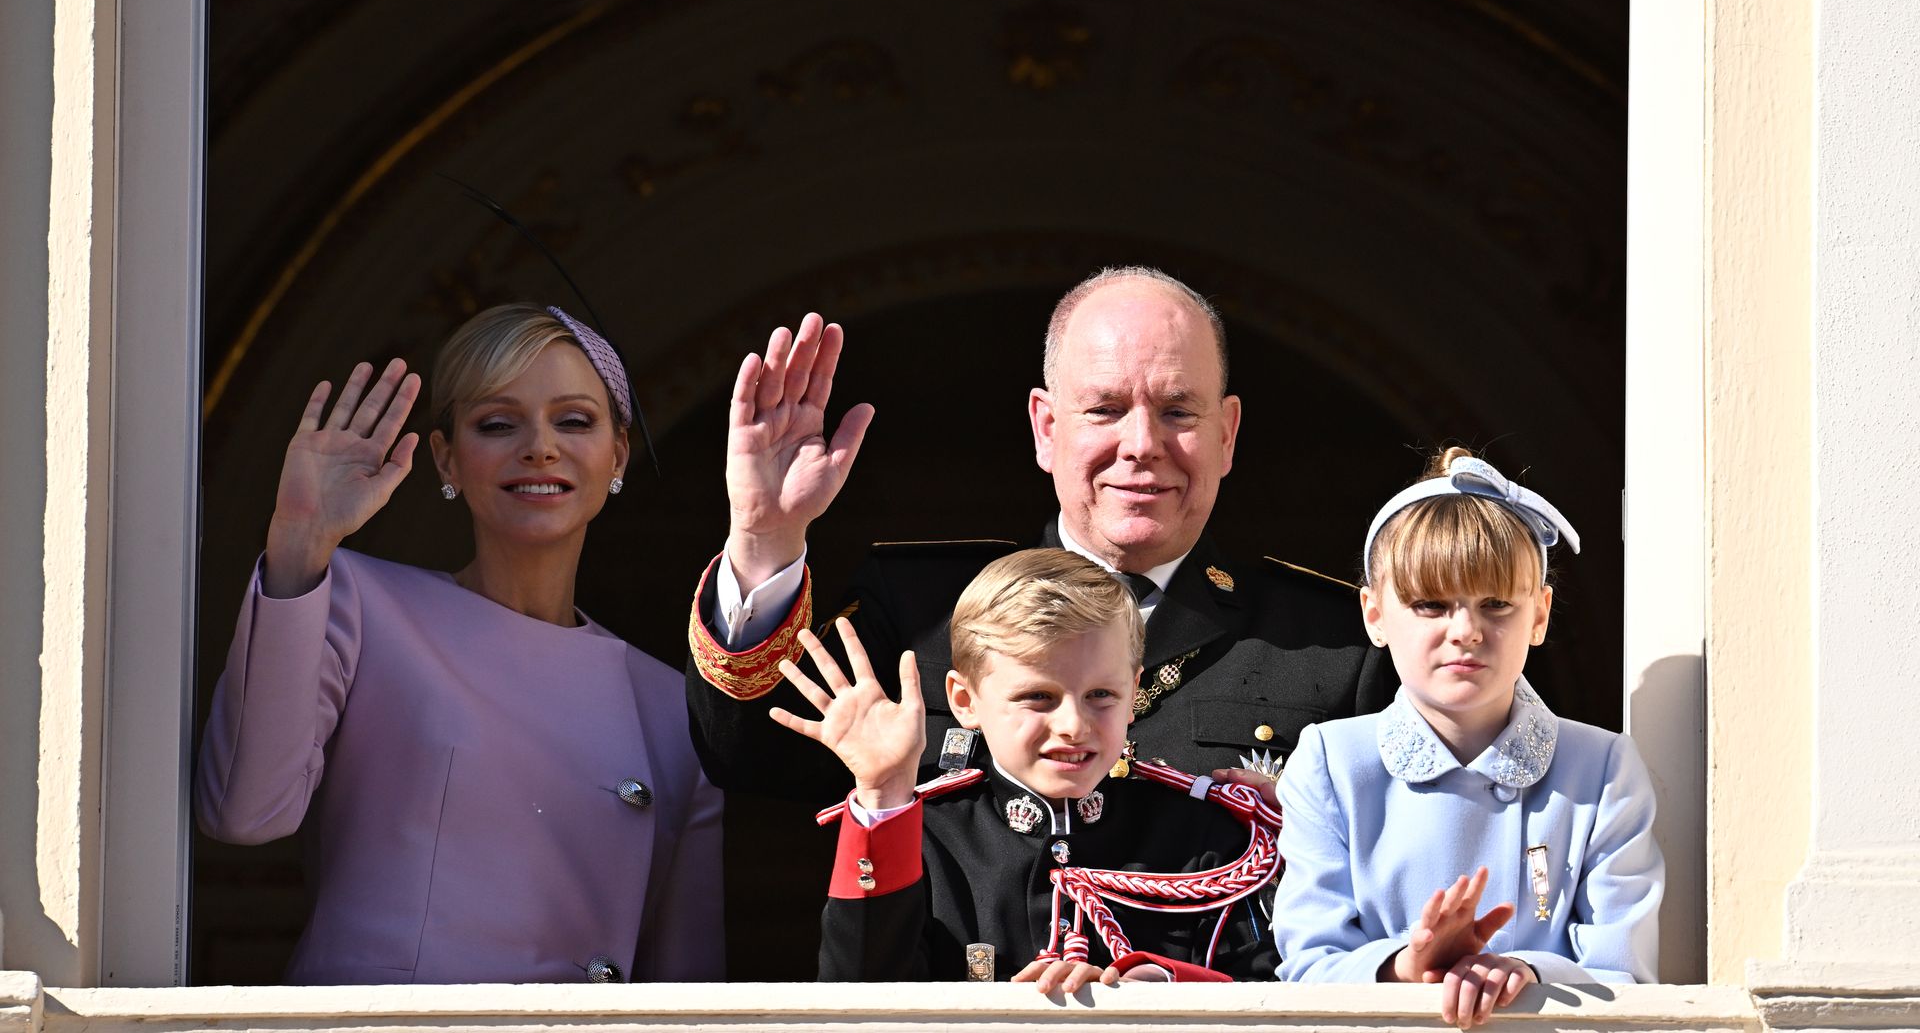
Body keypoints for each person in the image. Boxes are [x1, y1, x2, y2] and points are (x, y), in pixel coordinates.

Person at [684, 266, 1396, 803]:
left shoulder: (1335, 649)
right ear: (1046, 428)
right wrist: (763, 539)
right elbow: (744, 763)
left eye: (1178, 410)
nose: (1142, 443)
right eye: (1106, 409)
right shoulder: (921, 614)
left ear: (1228, 434)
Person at [196, 304, 724, 985]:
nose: (540, 447)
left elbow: (689, 990)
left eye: (574, 421)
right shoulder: (359, 604)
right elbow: (244, 812)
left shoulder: (672, 708)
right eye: (497, 424)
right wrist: (299, 541)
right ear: (446, 458)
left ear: (616, 455)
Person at [1265, 447, 1663, 1027]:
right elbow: (1307, 962)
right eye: (1431, 604)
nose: (1467, 631)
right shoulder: (1332, 762)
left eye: (1496, 604)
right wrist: (1410, 964)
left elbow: (1624, 970)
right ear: (1374, 615)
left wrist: (1525, 974)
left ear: (1540, 613)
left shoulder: (1603, 770)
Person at [778, 549, 1279, 988]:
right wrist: (885, 794)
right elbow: (861, 1000)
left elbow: (1273, 995)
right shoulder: (924, 836)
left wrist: (1162, 987)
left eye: (1101, 695)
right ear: (964, 700)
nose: (1073, 725)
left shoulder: (1204, 837)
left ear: (1133, 692)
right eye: (1037, 697)